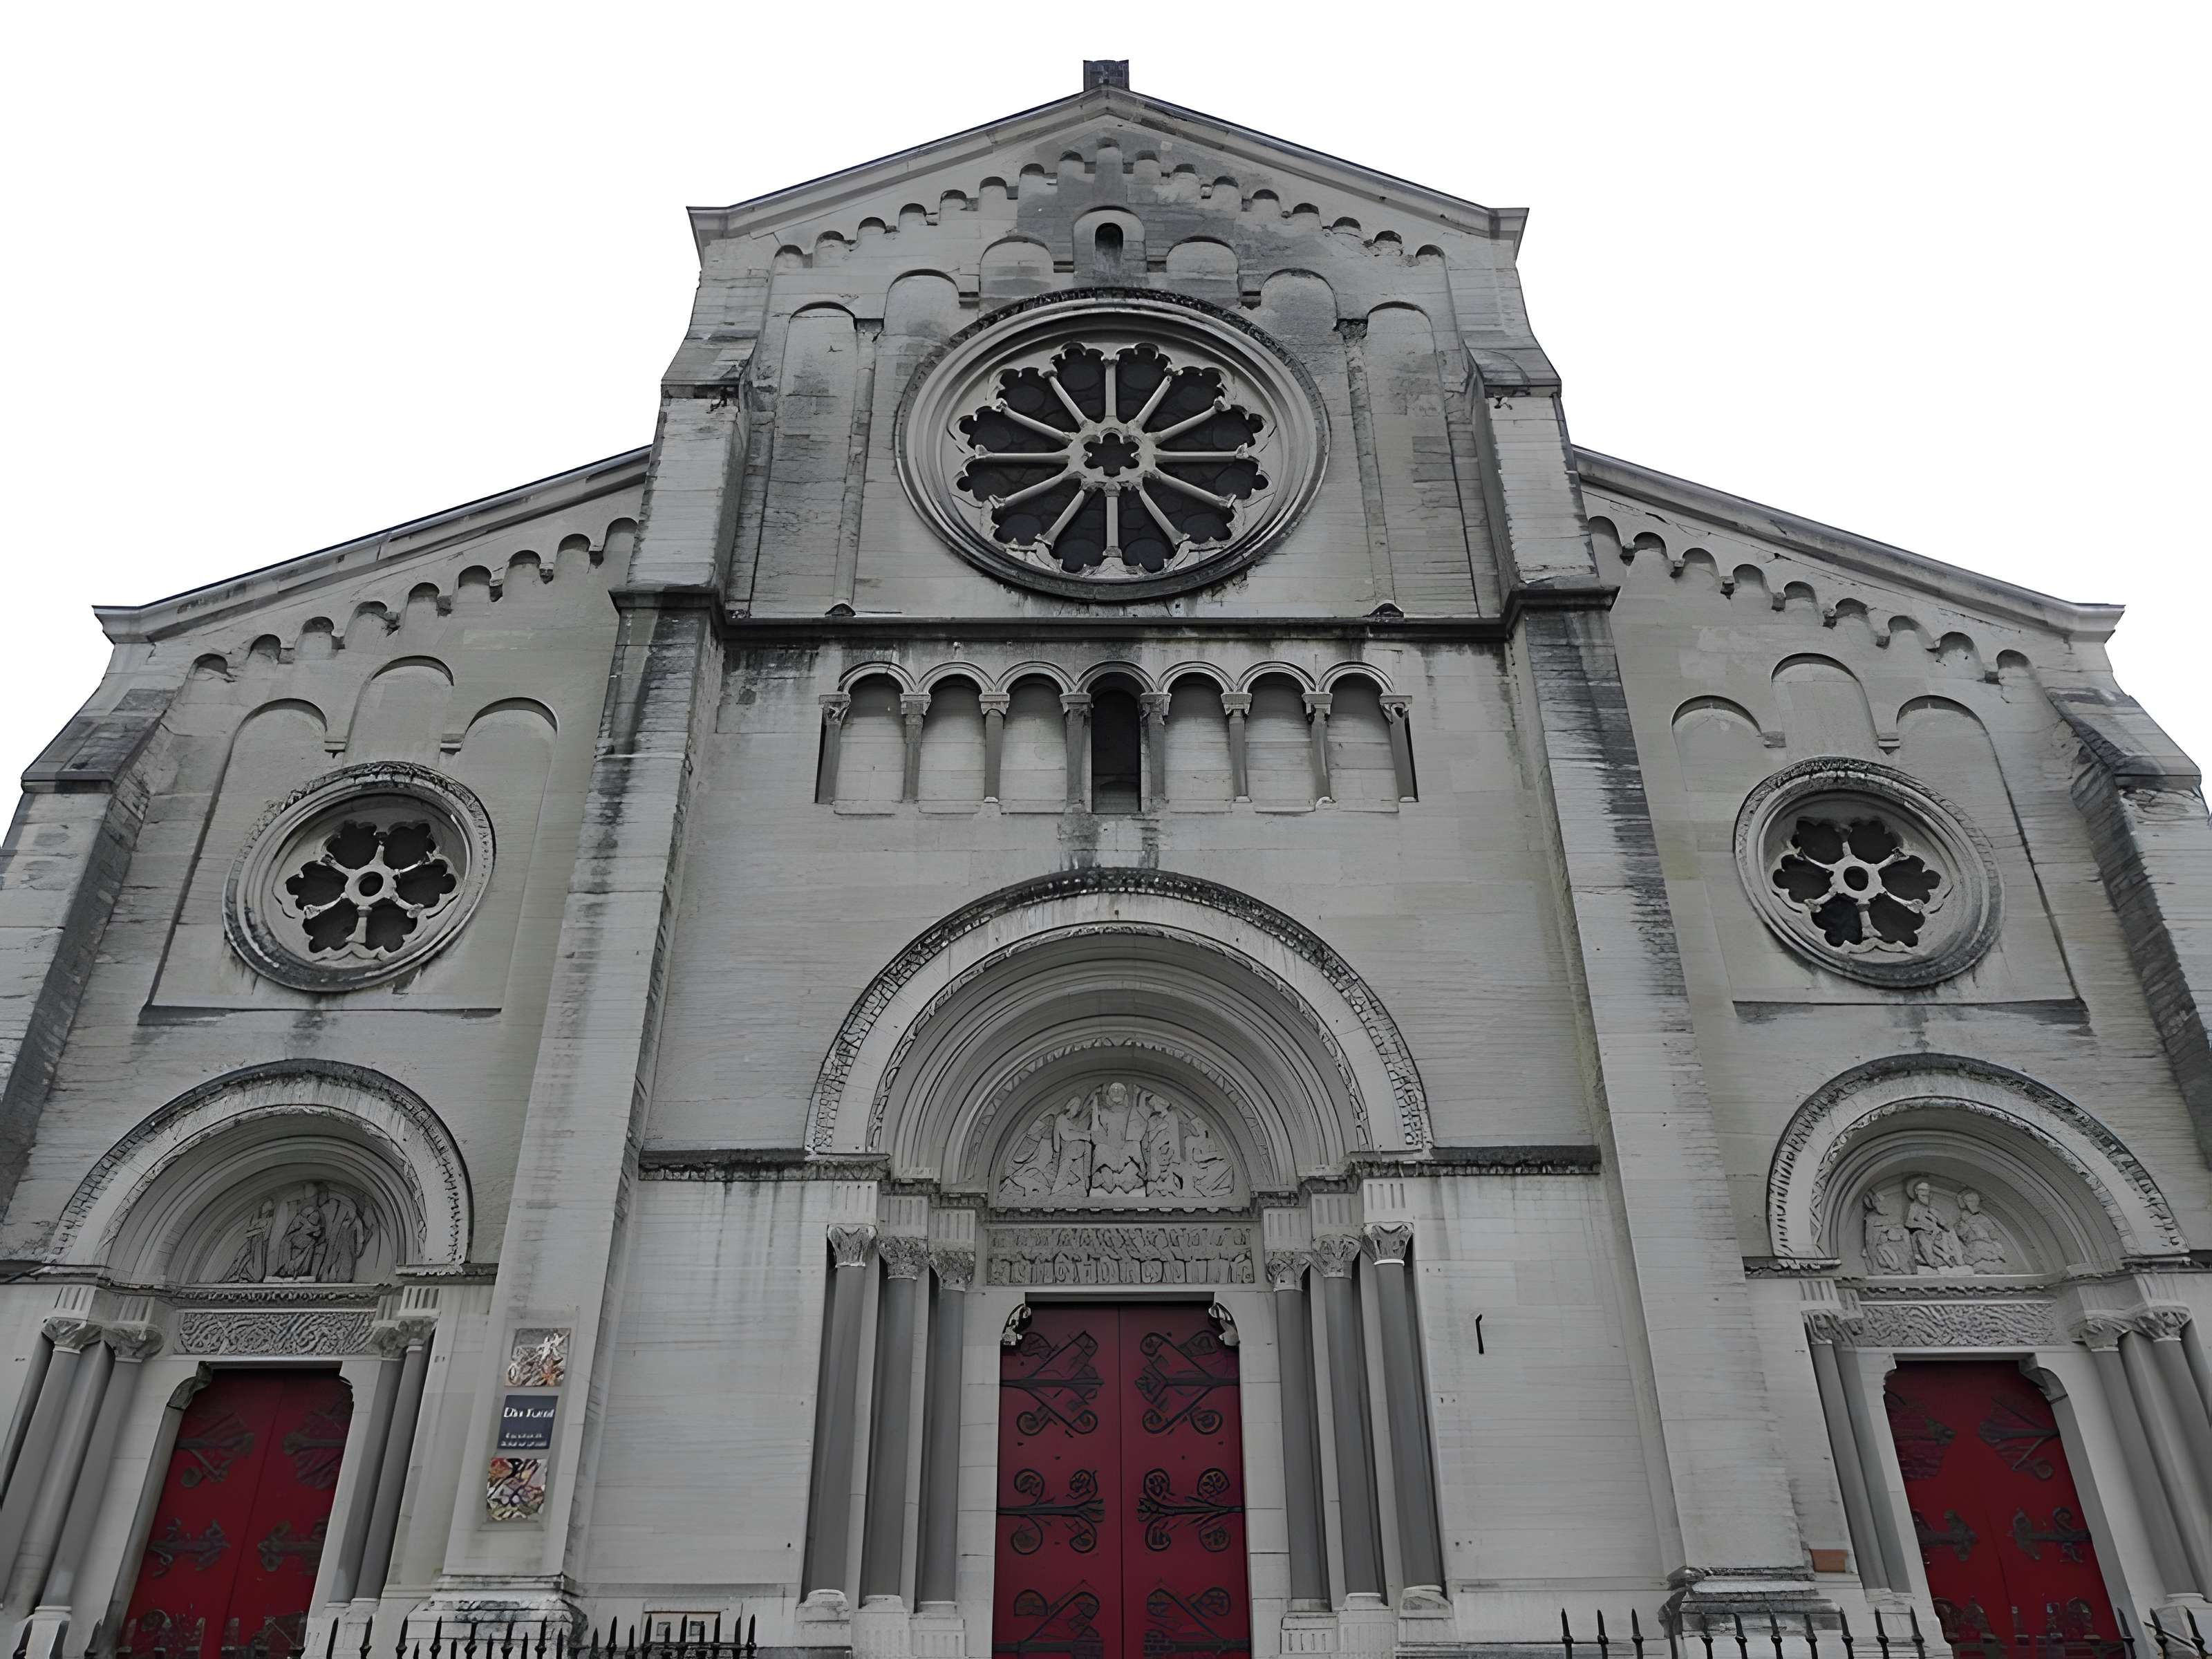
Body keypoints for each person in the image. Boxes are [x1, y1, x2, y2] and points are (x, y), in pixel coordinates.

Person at [1905, 1178, 1967, 1272]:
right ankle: (1937, 1260)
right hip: (1923, 1234)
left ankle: (1958, 1259)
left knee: (1951, 1232)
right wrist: (1924, 1226)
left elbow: (1943, 1224)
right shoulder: (1914, 1207)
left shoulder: (1932, 1210)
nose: (1925, 1193)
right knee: (1922, 1236)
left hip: (1937, 1234)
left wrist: (1945, 1225)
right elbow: (1908, 1223)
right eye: (1922, 1190)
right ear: (1916, 1191)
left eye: (1927, 1190)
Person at [1956, 1189, 2008, 1272]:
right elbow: (1960, 1233)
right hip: (1973, 1248)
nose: (1970, 1204)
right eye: (1968, 1201)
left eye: (1973, 1201)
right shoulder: (1963, 1219)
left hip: (1986, 1247)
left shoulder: (1982, 1218)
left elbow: (1993, 1234)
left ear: (1977, 1202)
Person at [1861, 1190, 1910, 1275]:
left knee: (1902, 1261)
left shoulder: (1890, 1216)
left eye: (1884, 1203)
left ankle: (1906, 1267)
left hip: (1895, 1245)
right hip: (1882, 1247)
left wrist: (1895, 1229)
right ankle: (1887, 1271)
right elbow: (1871, 1241)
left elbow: (1900, 1230)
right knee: (1894, 1264)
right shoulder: (1871, 1218)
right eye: (1878, 1203)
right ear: (1873, 1204)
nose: (1882, 1206)